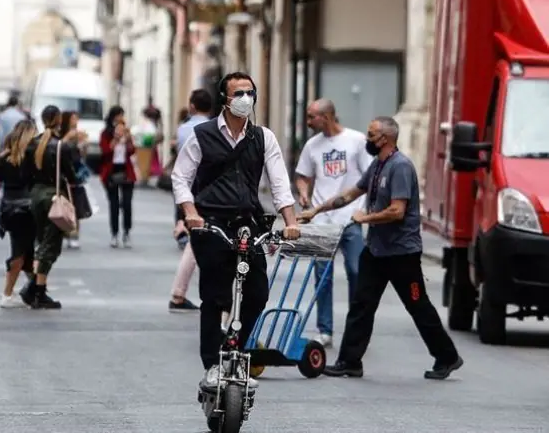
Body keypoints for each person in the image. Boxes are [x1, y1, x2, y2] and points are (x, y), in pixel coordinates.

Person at [298, 116, 463, 380]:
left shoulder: (401, 167)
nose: (367, 139)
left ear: (384, 139)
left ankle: (447, 357)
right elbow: (350, 194)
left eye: (371, 134)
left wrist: (366, 218)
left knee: (418, 305)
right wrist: (316, 210)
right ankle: (349, 361)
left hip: (402, 255)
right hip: (376, 251)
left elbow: (397, 211)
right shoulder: (378, 165)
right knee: (362, 305)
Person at [171, 71, 300, 390]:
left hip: (247, 220)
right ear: (225, 100)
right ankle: (212, 366)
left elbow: (279, 182)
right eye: (239, 93)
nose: (246, 99)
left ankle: (236, 354)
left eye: (250, 93)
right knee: (214, 296)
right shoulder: (201, 135)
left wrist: (291, 221)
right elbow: (180, 178)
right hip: (211, 222)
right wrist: (190, 213)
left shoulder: (263, 137)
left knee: (257, 291)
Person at [294, 98, 373, 347]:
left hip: (350, 218)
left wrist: (367, 212)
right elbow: (302, 176)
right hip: (321, 221)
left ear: (326, 117)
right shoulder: (312, 145)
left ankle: (355, 327)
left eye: (311, 117)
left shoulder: (357, 141)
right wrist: (304, 193)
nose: (308, 122)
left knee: (356, 271)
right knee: (322, 276)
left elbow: (368, 178)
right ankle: (325, 329)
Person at [20, 105, 77, 309]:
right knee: (50, 244)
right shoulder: (61, 146)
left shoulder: (32, 145)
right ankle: (37, 289)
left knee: (41, 240)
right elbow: (71, 176)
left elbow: (24, 175)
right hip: (54, 197)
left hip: (36, 195)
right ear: (59, 120)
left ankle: (35, 287)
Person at [168, 89, 214, 312]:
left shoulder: (184, 129)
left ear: (192, 106)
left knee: (197, 241)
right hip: (208, 190)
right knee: (201, 242)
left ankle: (179, 293)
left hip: (188, 187)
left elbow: (181, 162)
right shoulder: (215, 129)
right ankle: (182, 294)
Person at [0, 120, 38, 308]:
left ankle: (36, 289)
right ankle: (7, 293)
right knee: (21, 252)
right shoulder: (33, 158)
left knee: (26, 250)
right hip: (28, 208)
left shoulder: (4, 158)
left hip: (9, 208)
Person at [99, 106, 136, 248]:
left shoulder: (126, 133)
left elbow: (132, 151)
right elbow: (105, 152)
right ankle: (114, 233)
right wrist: (115, 138)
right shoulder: (106, 134)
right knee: (113, 204)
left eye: (122, 115)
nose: (121, 118)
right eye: (119, 115)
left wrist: (128, 139)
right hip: (111, 171)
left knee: (127, 203)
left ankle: (126, 232)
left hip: (126, 171)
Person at [60, 111, 89, 249]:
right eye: (73, 118)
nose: (76, 121)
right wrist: (67, 137)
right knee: (63, 206)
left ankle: (74, 234)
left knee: (76, 206)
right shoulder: (62, 134)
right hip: (62, 174)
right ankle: (64, 233)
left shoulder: (78, 135)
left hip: (75, 173)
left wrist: (83, 145)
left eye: (77, 118)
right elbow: (57, 148)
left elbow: (81, 156)